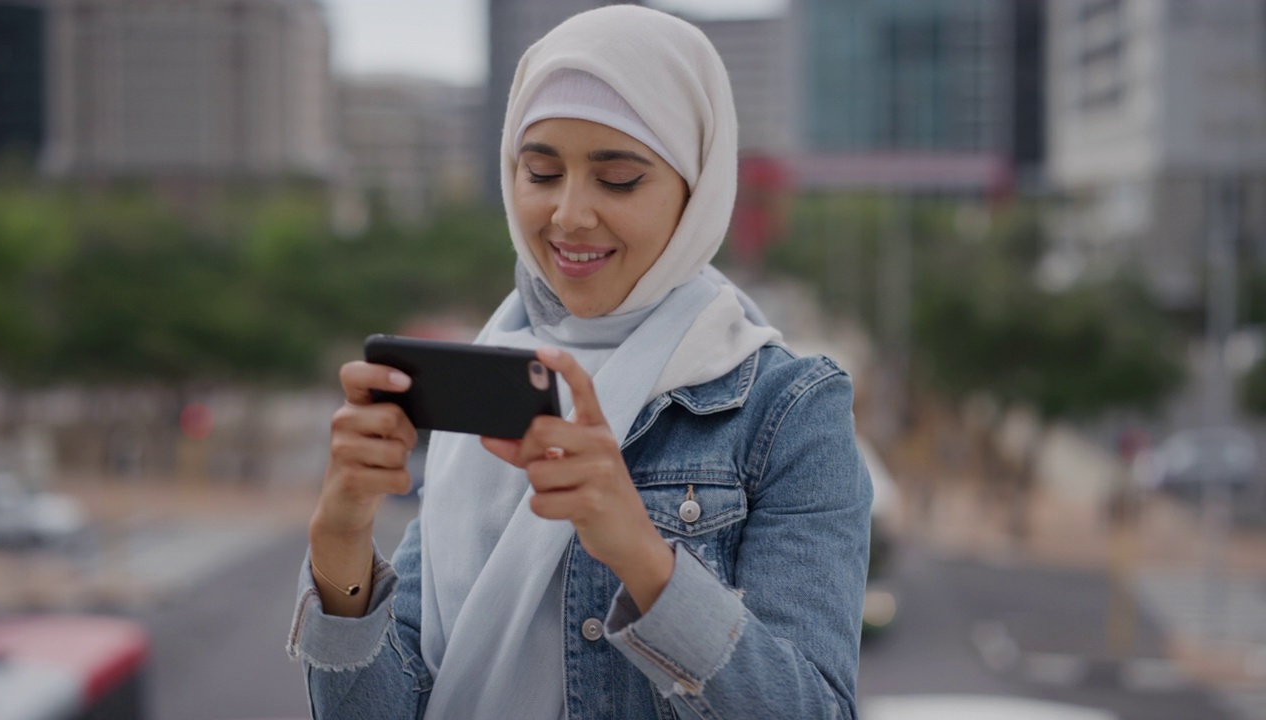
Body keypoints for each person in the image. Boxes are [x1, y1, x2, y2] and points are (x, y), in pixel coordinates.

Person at [287, 6, 872, 719]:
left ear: (696, 190)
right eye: (540, 172)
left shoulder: (787, 412)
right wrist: (341, 543)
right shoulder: (489, 379)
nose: (567, 215)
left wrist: (642, 557)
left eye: (618, 178)